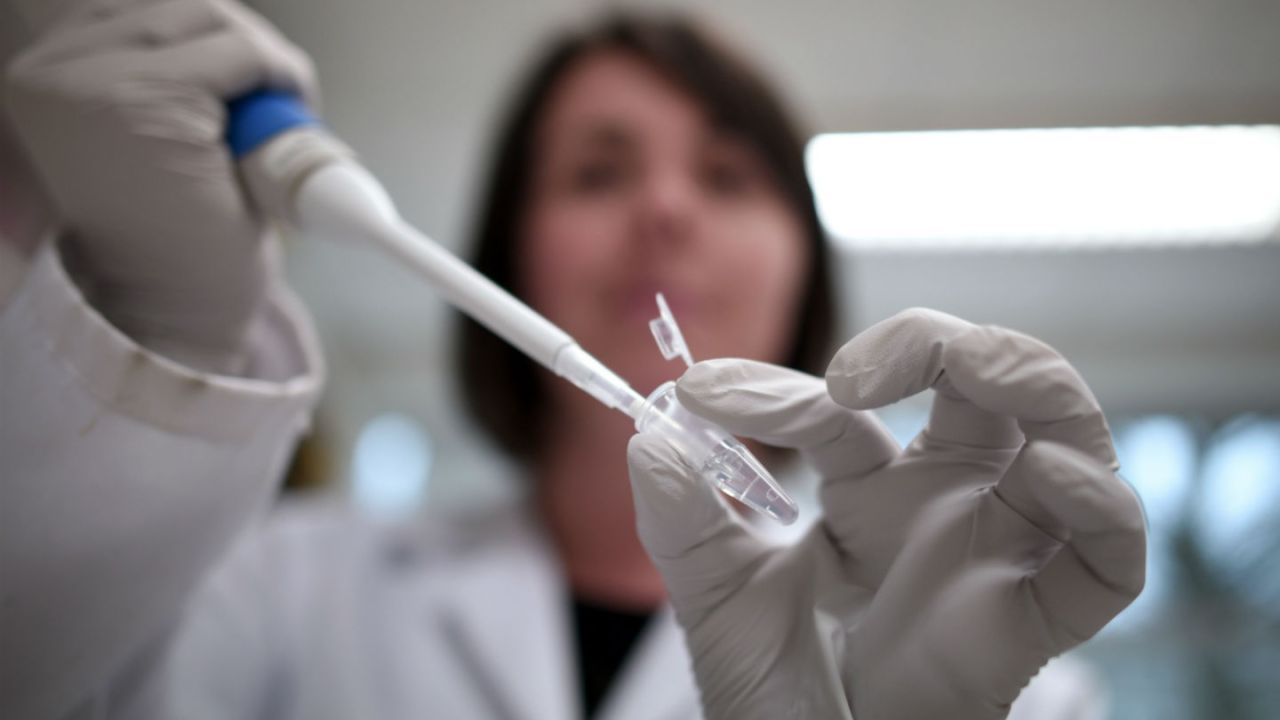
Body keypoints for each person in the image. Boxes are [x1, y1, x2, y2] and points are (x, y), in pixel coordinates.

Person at [0, 1, 1147, 719]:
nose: (662, 209)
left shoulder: (991, 664)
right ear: (510, 260)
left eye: (727, 177)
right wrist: (168, 330)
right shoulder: (285, 587)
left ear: (804, 263)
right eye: (597, 172)